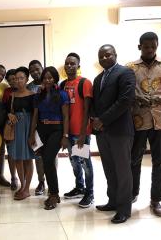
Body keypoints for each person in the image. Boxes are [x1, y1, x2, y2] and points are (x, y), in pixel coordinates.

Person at [128, 32, 161, 217]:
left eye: (153, 46)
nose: (150, 50)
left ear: (157, 46)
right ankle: (132, 194)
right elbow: (126, 92)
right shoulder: (130, 67)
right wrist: (137, 97)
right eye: (146, 47)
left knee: (159, 162)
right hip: (139, 120)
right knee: (135, 160)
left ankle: (156, 201)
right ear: (139, 47)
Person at [92, 44, 135, 224]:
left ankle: (124, 209)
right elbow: (95, 103)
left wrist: (103, 120)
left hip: (120, 131)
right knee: (109, 168)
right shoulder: (98, 78)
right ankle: (113, 201)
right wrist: (95, 120)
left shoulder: (125, 73)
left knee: (123, 170)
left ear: (115, 55)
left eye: (107, 55)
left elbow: (125, 100)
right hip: (103, 133)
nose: (104, 58)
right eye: (101, 56)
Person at [29, 66, 70, 210]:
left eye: (50, 77)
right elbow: (35, 116)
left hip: (57, 130)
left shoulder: (63, 94)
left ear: (55, 79)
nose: (47, 80)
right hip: (41, 130)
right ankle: (54, 193)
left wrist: (65, 136)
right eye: (45, 78)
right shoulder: (38, 95)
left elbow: (66, 116)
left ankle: (53, 194)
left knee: (47, 159)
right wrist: (31, 135)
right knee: (46, 161)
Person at [61, 53, 94, 208]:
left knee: (85, 163)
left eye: (72, 63)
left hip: (81, 133)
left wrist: (82, 134)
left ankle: (90, 192)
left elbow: (88, 110)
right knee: (74, 163)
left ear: (78, 66)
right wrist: (65, 135)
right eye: (67, 63)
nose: (69, 66)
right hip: (69, 133)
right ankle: (79, 187)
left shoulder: (84, 83)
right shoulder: (62, 85)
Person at [6, 67, 35, 200]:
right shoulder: (12, 95)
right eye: (16, 78)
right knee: (17, 158)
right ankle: (22, 186)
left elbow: (35, 116)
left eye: (21, 78)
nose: (18, 80)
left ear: (27, 79)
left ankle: (27, 188)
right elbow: (9, 111)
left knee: (28, 158)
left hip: (28, 127)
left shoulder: (32, 95)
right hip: (16, 128)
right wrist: (10, 115)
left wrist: (32, 133)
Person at [27, 60, 46, 196]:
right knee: (38, 156)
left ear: (42, 68)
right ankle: (41, 182)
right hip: (35, 126)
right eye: (32, 70)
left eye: (37, 69)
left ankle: (52, 181)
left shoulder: (52, 84)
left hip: (51, 126)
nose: (35, 72)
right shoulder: (28, 88)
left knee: (51, 156)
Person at [2, 69, 18, 190]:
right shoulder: (6, 92)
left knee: (22, 153)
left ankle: (23, 177)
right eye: (10, 79)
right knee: (11, 153)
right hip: (10, 125)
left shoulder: (25, 90)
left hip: (23, 125)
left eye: (15, 78)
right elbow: (3, 109)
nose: (13, 81)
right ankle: (13, 177)